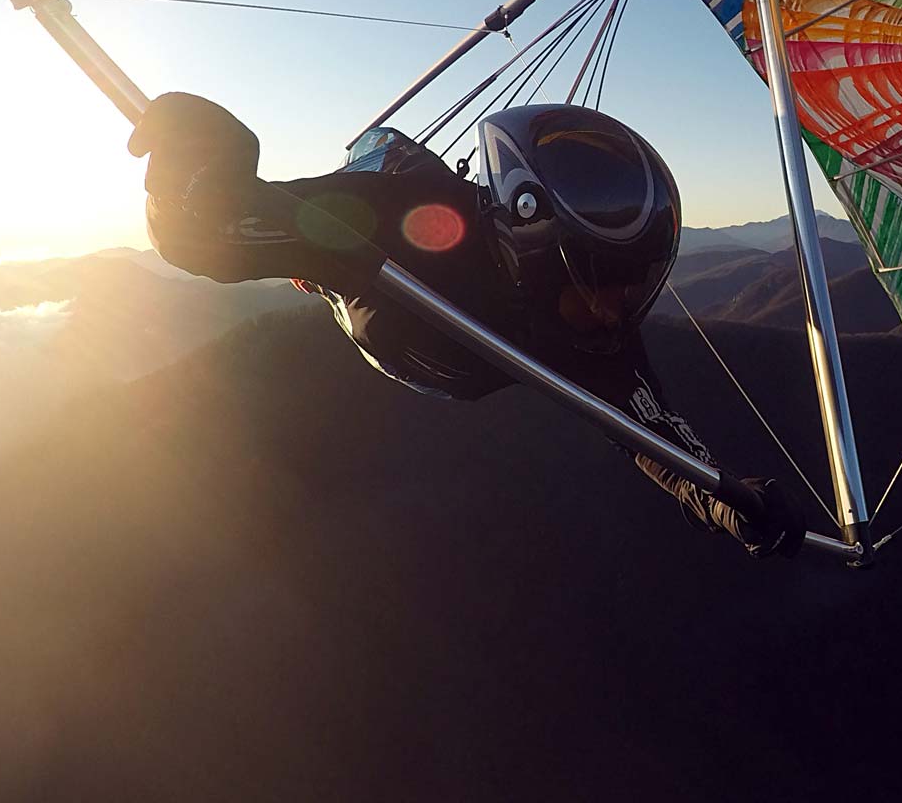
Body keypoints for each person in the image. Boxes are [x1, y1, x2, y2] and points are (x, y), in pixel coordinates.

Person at [127, 92, 805, 558]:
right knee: (351, 220)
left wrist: (725, 501)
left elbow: (655, 438)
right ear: (534, 258)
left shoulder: (599, 338)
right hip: (387, 289)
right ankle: (352, 195)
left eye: (632, 290)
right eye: (597, 291)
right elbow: (201, 238)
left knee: (379, 208)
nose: (612, 315)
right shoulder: (395, 217)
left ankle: (355, 195)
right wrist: (202, 166)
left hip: (440, 319)